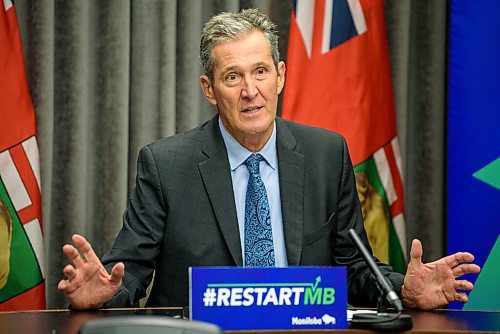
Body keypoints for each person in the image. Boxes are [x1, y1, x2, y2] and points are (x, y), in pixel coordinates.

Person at [58, 8, 480, 311]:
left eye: (260, 72)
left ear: (281, 75)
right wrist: (104, 295)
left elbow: (353, 267)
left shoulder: (325, 155)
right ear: (209, 88)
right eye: (232, 76)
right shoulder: (166, 165)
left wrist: (403, 292)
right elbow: (128, 271)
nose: (250, 91)